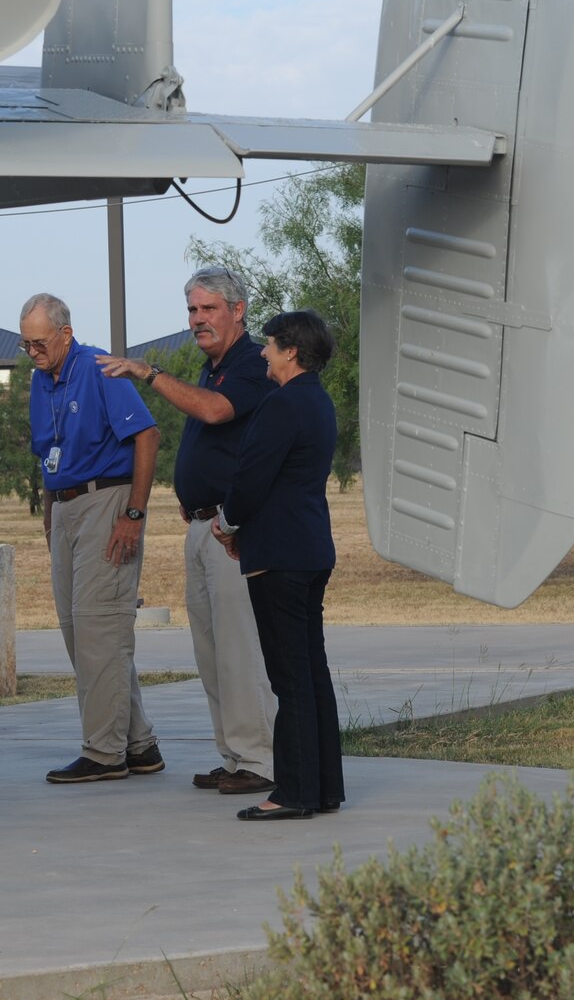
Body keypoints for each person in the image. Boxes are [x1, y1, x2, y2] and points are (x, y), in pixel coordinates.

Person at [97, 267, 276, 798]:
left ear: (238, 310)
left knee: (240, 649)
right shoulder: (211, 366)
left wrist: (148, 374)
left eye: (208, 310)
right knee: (211, 651)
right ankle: (235, 755)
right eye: (193, 311)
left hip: (232, 530)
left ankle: (262, 759)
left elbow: (217, 412)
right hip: (201, 525)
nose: (198, 320)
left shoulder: (248, 363)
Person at [20, 293, 165, 783]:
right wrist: (48, 516)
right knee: (81, 632)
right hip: (64, 508)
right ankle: (138, 744)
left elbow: (147, 436)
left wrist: (134, 513)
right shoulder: (39, 383)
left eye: (40, 343)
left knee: (100, 626)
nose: (34, 352)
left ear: (65, 333)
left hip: (107, 501)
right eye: (26, 345)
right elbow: (47, 453)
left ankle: (104, 753)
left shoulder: (99, 368)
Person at [212, 310, 344, 820]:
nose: (263, 352)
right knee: (311, 674)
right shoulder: (319, 401)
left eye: (269, 345)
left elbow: (251, 478)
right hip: (310, 549)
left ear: (291, 350)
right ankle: (322, 787)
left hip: (280, 556)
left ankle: (291, 792)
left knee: (288, 677)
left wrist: (226, 522)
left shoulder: (282, 403)